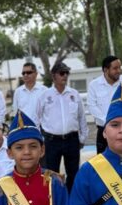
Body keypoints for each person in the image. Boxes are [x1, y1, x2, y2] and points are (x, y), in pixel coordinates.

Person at [35, 62, 87, 191]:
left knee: (73, 173)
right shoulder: (45, 96)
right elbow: (37, 119)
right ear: (54, 76)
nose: (65, 76)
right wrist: (41, 140)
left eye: (67, 73)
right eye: (62, 73)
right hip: (52, 141)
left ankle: (72, 199)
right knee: (51, 174)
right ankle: (54, 199)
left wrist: (83, 137)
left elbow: (81, 117)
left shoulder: (74, 94)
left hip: (72, 139)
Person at [87, 55, 122, 154]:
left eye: (120, 67)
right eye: (115, 68)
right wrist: (109, 121)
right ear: (105, 70)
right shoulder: (94, 85)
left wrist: (117, 122)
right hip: (103, 130)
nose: (119, 71)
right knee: (103, 161)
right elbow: (92, 106)